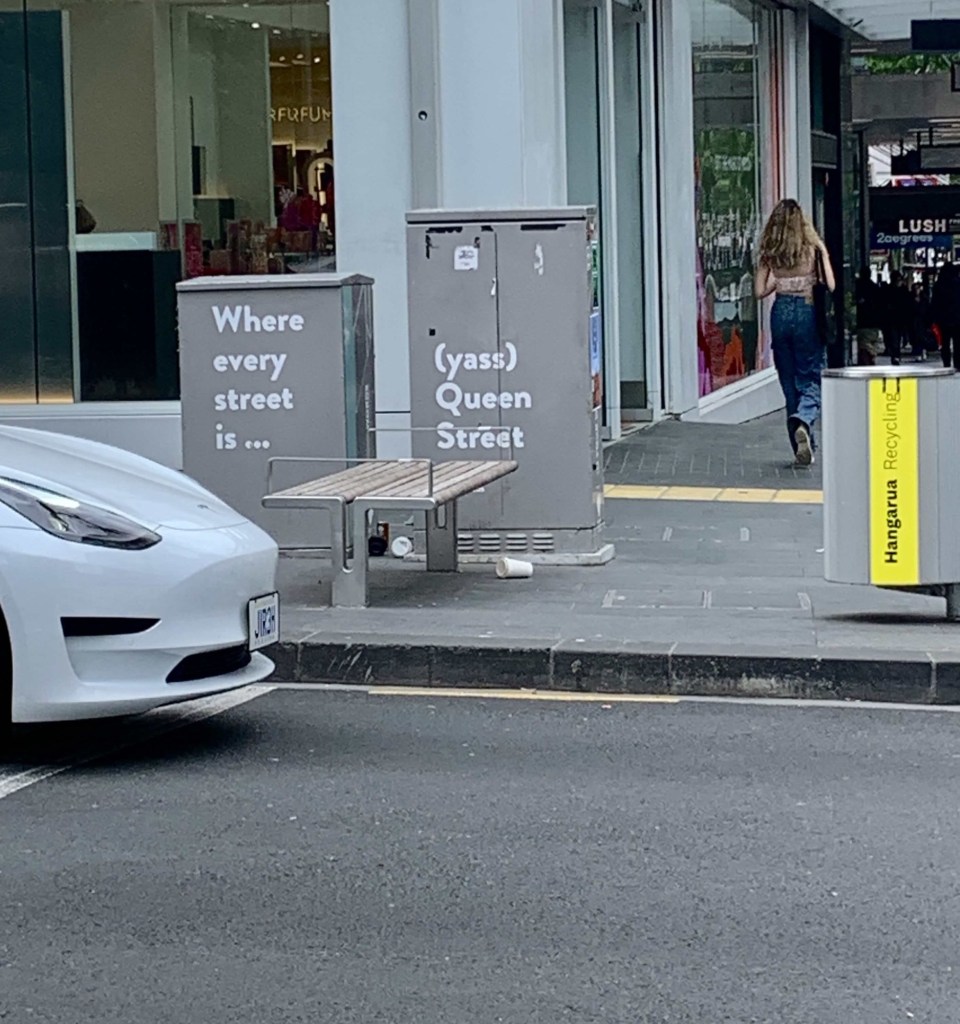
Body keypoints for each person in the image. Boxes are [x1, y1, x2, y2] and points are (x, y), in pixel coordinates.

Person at [755, 199, 835, 467]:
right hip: (807, 311)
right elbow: (830, 285)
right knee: (811, 375)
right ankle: (804, 418)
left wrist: (778, 280)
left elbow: (759, 291)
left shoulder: (771, 251)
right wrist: (822, 251)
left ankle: (803, 447)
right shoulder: (811, 248)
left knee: (789, 380)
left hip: (780, 312)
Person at [932, 263, 960, 370]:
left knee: (945, 343)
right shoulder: (958, 284)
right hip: (957, 319)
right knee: (958, 343)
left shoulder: (939, 285)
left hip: (943, 320)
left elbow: (935, 303)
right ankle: (958, 363)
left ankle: (946, 363)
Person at [855, 267, 884, 366]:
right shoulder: (874, 287)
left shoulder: (858, 286)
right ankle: (871, 356)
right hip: (874, 322)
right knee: (870, 342)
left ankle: (868, 357)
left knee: (864, 344)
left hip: (862, 321)